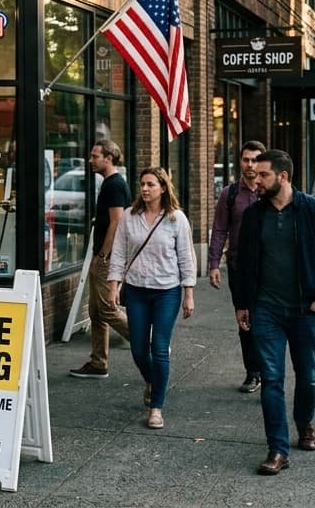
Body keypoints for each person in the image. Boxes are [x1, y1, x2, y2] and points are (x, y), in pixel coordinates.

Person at [232, 149, 315, 476]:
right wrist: (242, 303)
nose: (256, 178)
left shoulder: (314, 211)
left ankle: (304, 422)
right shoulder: (254, 215)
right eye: (255, 173)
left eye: (263, 174)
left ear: (283, 176)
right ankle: (277, 449)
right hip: (266, 309)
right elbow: (240, 262)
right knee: (273, 379)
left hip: (306, 309)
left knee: (308, 375)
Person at [107, 167, 196, 430]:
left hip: (167, 291)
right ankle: (153, 380)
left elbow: (186, 258)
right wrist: (114, 286)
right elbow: (119, 254)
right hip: (136, 290)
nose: (145, 189)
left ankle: (156, 407)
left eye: (151, 185)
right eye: (142, 184)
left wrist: (188, 294)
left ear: (163, 188)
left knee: (159, 347)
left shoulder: (175, 219)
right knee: (137, 348)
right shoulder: (129, 216)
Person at [208, 140, 267, 393]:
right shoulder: (230, 194)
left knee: (268, 318)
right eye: (246, 159)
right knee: (245, 319)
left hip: (269, 267)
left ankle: (269, 369)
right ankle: (253, 372)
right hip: (238, 266)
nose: (250, 165)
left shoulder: (271, 190)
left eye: (255, 159)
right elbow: (220, 229)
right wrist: (213, 263)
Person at [70, 139, 130, 379]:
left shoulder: (114, 185)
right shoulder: (109, 183)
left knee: (107, 309)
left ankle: (147, 342)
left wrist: (103, 255)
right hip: (104, 254)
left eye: (96, 156)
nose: (91, 160)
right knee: (95, 312)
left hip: (107, 256)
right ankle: (98, 363)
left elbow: (117, 221)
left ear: (109, 158)